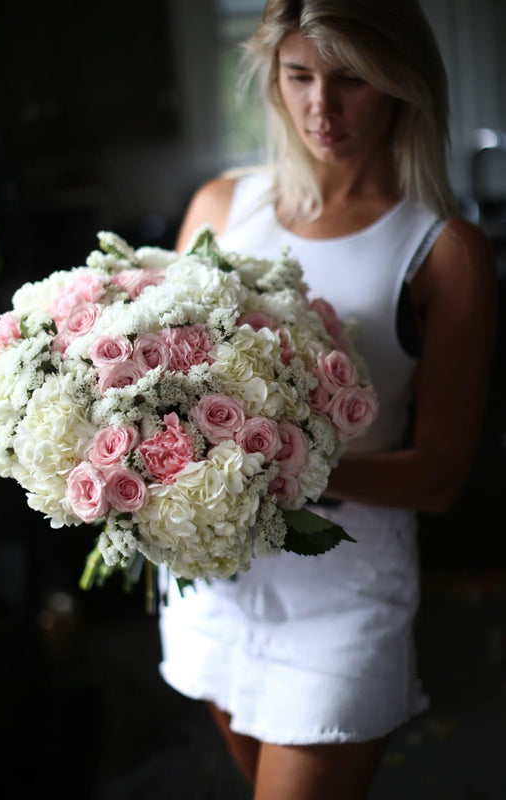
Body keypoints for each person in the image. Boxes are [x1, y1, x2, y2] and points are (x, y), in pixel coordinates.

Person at [158, 1, 497, 798]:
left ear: (400, 84)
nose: (322, 107)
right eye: (299, 76)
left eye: (351, 80)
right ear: (272, 79)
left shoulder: (444, 252)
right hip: (215, 584)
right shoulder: (220, 208)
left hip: (343, 595)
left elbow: (443, 476)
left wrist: (279, 467)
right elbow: (159, 390)